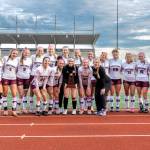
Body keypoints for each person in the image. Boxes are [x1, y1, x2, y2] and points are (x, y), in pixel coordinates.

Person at [1, 49, 19, 116]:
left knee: (14, 94)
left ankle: (13, 110)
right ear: (11, 53)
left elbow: (17, 70)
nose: (14, 55)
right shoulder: (5, 58)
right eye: (13, 53)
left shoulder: (17, 60)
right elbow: (2, 68)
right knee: (5, 94)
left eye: (16, 54)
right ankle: (5, 109)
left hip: (13, 78)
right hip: (5, 77)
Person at [16, 48, 32, 114]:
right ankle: (17, 108)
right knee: (21, 94)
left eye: (28, 53)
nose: (26, 54)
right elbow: (16, 68)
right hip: (19, 77)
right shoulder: (18, 59)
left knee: (25, 94)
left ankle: (24, 108)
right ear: (22, 52)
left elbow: (31, 68)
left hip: (27, 78)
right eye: (25, 52)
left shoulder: (30, 60)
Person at [29, 47, 44, 113]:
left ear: (43, 51)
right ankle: (31, 107)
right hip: (33, 76)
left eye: (41, 50)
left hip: (41, 77)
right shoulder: (32, 57)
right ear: (36, 51)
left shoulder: (44, 57)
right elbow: (30, 66)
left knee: (40, 92)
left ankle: (39, 106)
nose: (40, 51)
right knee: (32, 92)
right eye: (38, 50)